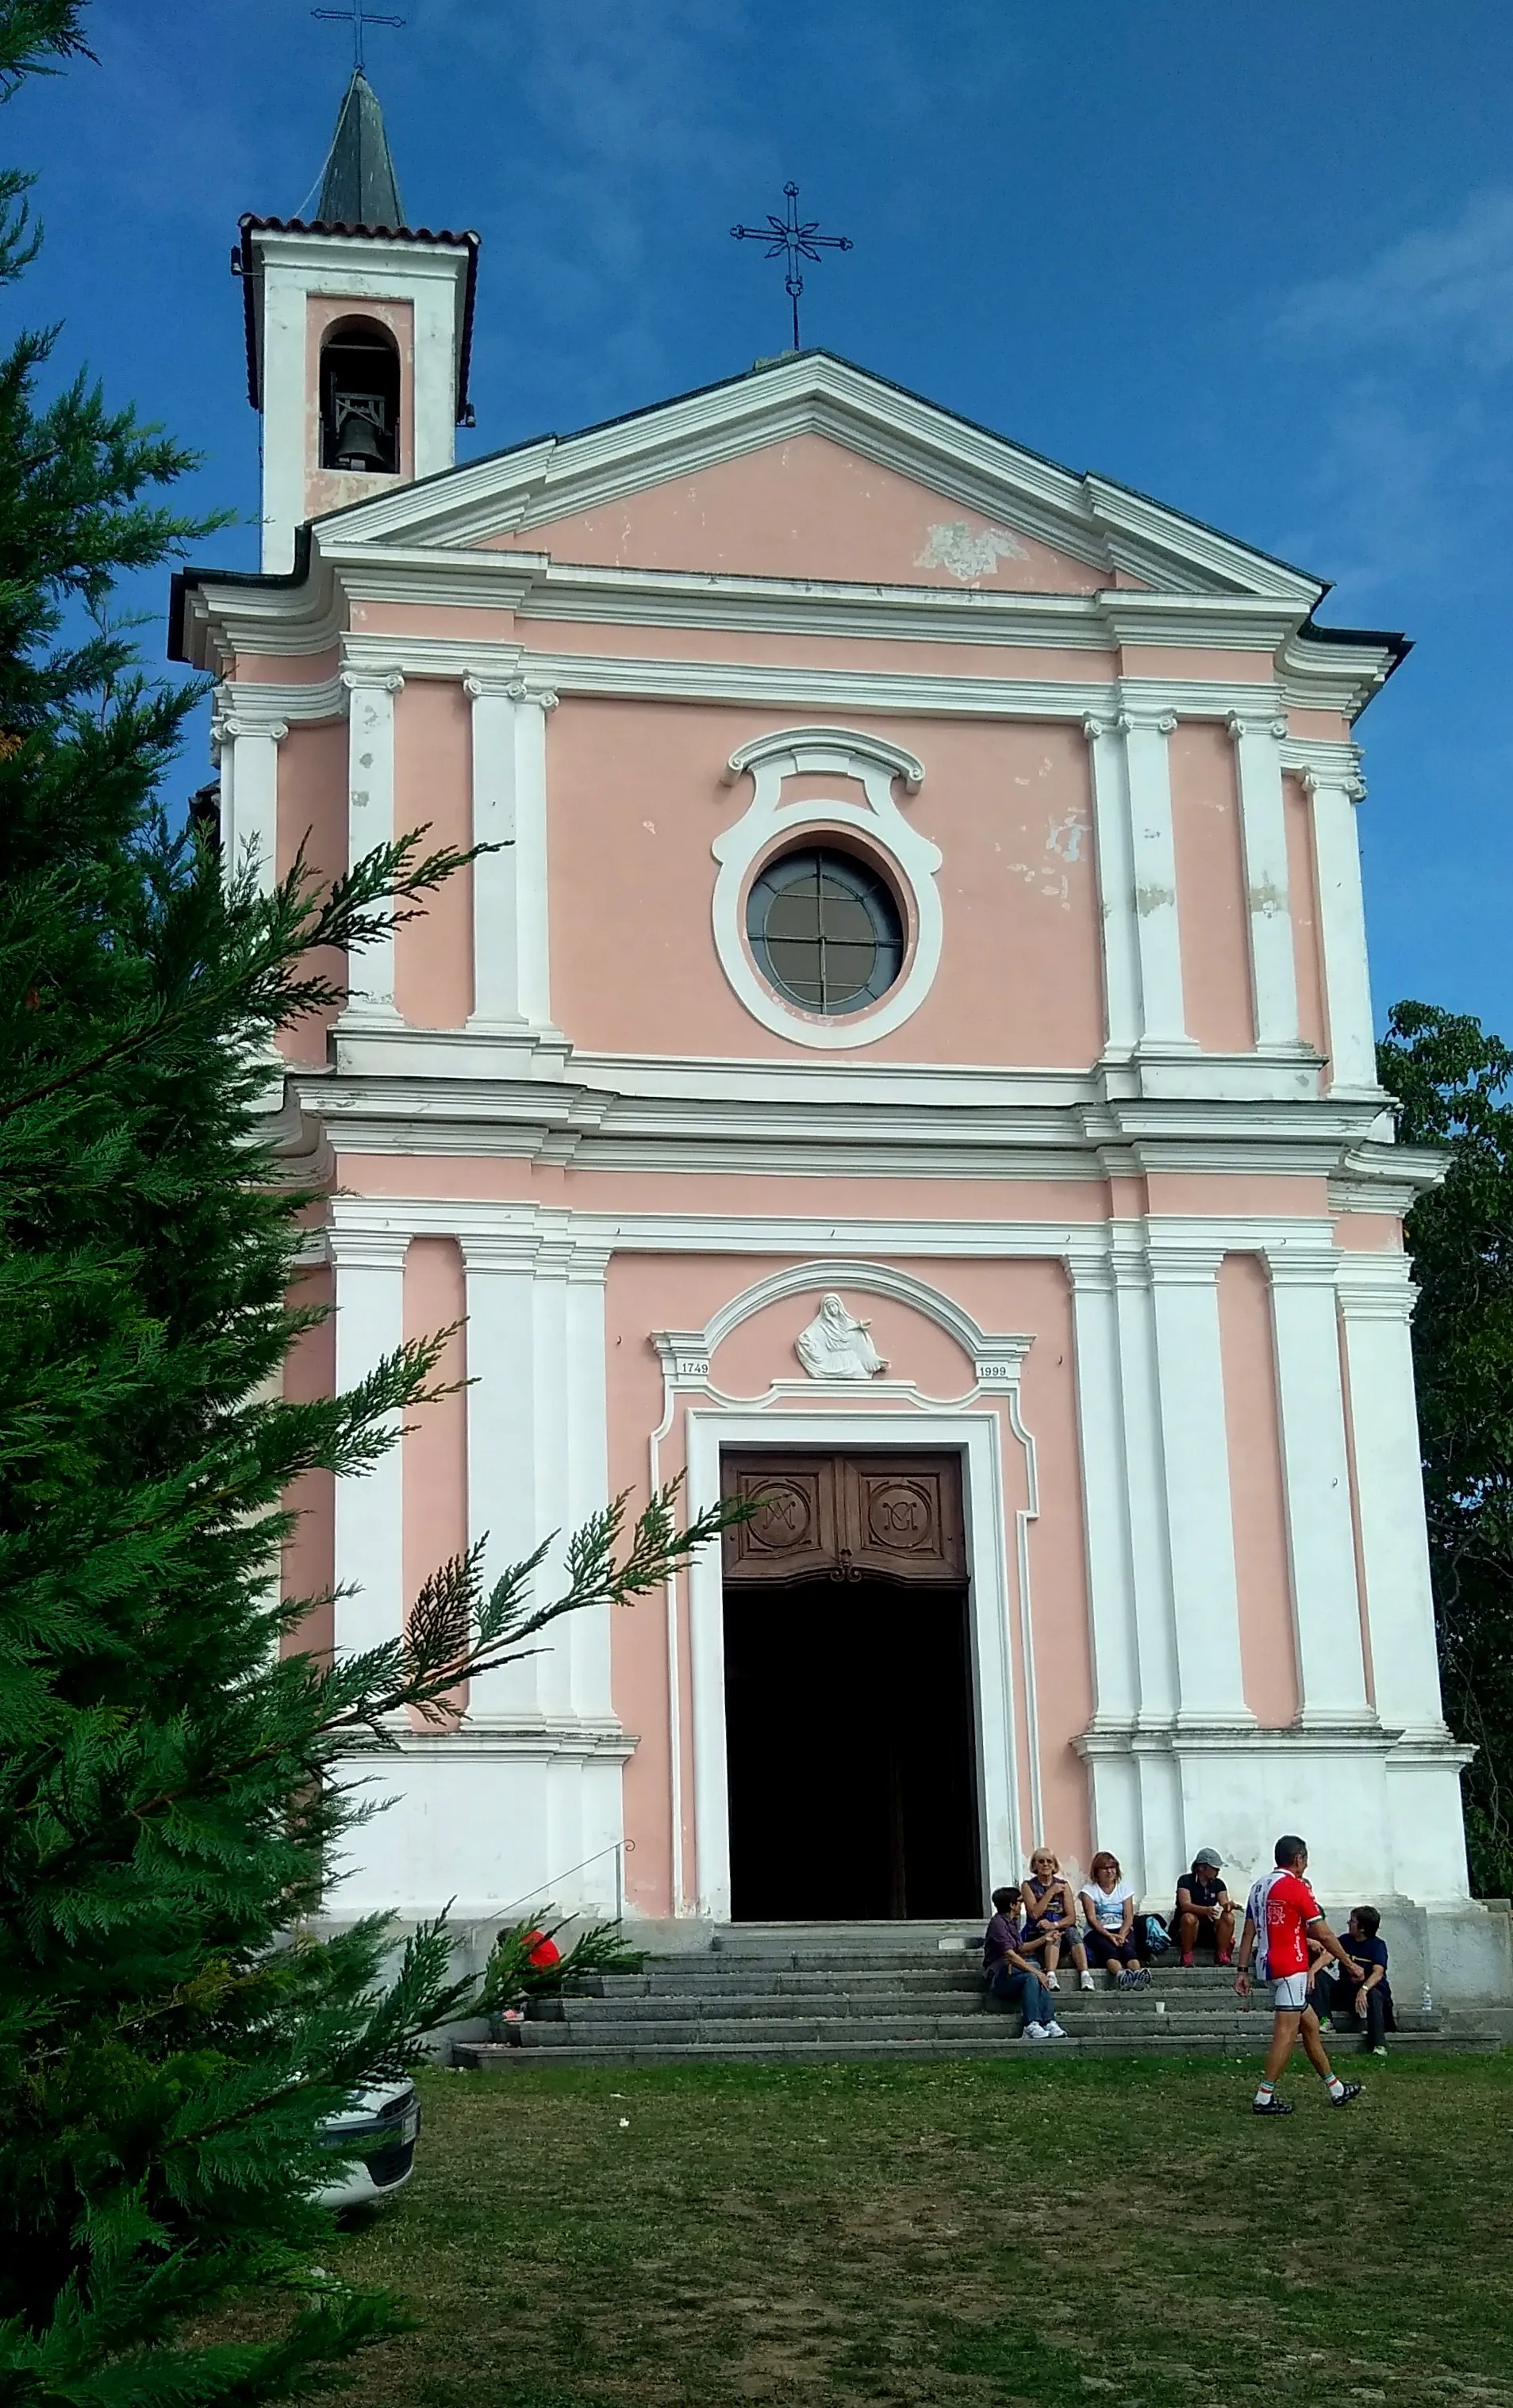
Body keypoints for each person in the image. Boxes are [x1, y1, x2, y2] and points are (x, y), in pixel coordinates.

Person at [1235, 1835, 1365, 2114]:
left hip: (1268, 1966)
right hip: (1291, 1967)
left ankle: (1335, 2088)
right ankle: (1264, 2096)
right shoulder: (1295, 1888)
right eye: (1305, 1860)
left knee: (1310, 2024)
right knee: (1286, 2032)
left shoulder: (1259, 1887)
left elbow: (1248, 1932)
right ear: (1299, 1859)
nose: (1306, 1866)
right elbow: (1324, 1933)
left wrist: (1242, 1970)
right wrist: (1349, 1963)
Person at [982, 1885, 1069, 2040]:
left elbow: (1020, 1948)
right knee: (1033, 1975)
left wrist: (1045, 1939)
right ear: (1012, 1905)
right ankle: (1031, 2024)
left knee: (1035, 1974)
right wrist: (1035, 1972)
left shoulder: (1012, 1922)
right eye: (1020, 1901)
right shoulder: (998, 1924)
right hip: (999, 1976)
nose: (1022, 1905)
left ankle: (1049, 2021)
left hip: (1011, 1972)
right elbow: (1010, 1955)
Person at [1308, 1905, 1394, 2057]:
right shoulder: (1345, 1940)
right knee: (1320, 1976)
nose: (1348, 1923)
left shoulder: (1377, 1945)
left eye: (1352, 1921)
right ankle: (1326, 2020)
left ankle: (1379, 2044)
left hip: (1369, 1994)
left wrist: (1364, 1990)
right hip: (1347, 1992)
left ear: (1362, 1928)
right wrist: (1312, 1972)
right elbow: (1327, 1956)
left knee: (1374, 1995)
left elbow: (1378, 1972)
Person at [1018, 1849, 1095, 1992]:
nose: (1045, 1865)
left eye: (1049, 1861)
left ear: (1054, 1865)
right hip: (1037, 1931)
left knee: (1073, 1932)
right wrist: (1051, 1892)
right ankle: (1051, 1975)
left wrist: (1055, 1924)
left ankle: (1085, 1974)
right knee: (1053, 1935)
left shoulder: (1064, 1885)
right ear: (1035, 1866)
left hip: (1061, 1926)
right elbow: (1034, 1914)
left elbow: (1071, 1917)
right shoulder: (1028, 1886)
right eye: (1041, 1861)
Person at [1079, 1851, 1149, 1989]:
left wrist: (1122, 1935)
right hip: (1098, 1930)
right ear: (1097, 1872)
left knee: (1128, 1950)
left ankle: (1138, 1975)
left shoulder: (1124, 1890)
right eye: (1105, 1868)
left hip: (1121, 1928)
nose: (1109, 1871)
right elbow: (1092, 1918)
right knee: (1109, 1950)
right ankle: (1121, 1976)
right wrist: (1109, 1935)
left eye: (1112, 1867)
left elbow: (1128, 1916)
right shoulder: (1089, 1891)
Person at [1174, 1847, 1236, 1967]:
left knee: (1229, 1917)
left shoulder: (1218, 1883)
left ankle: (1222, 1953)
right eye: (1214, 1868)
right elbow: (1185, 1905)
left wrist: (1229, 1906)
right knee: (1189, 1918)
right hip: (1187, 1928)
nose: (1217, 1871)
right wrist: (1206, 1910)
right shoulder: (1185, 1881)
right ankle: (1187, 1954)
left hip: (1210, 1927)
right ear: (1202, 1867)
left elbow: (1224, 1903)